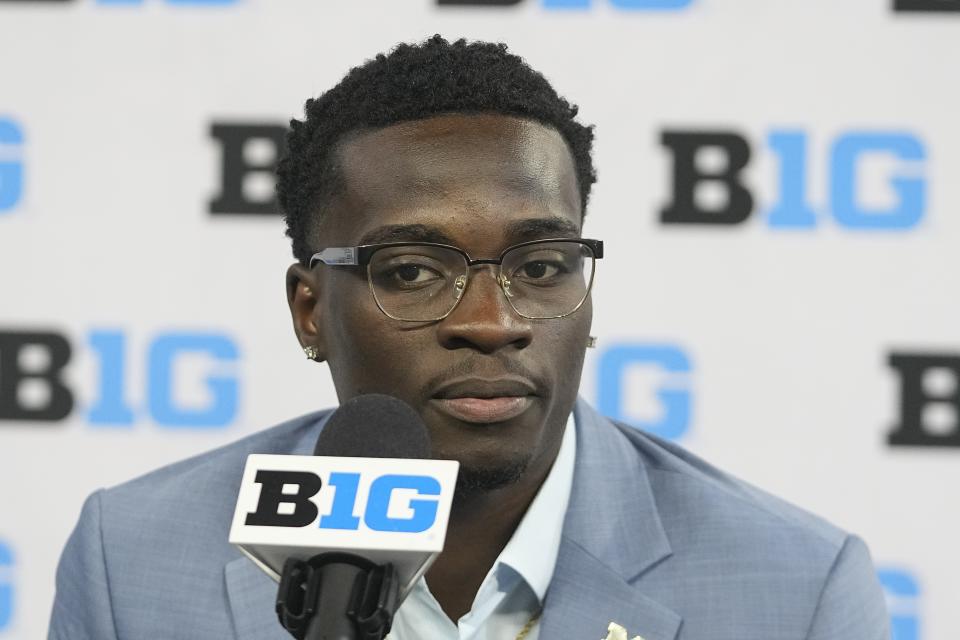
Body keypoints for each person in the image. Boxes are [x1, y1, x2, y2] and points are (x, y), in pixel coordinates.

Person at [49, 36, 889, 640]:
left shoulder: (798, 590)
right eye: (412, 271)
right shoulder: (133, 560)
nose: (493, 321)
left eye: (542, 264)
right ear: (310, 311)